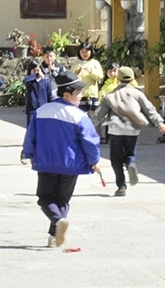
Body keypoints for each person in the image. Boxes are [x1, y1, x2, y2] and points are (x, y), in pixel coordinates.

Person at [23, 71, 101, 248]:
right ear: (66, 94)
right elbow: (89, 140)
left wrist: (29, 154)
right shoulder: (79, 116)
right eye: (78, 93)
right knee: (62, 201)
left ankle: (58, 223)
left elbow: (31, 136)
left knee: (45, 198)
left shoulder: (41, 111)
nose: (81, 97)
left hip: (46, 162)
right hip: (70, 165)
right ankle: (53, 236)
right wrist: (94, 160)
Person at [94, 67, 165, 197]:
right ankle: (131, 164)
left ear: (117, 79)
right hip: (133, 130)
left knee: (115, 159)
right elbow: (149, 110)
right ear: (132, 79)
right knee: (130, 154)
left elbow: (98, 115)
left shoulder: (111, 96)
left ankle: (121, 186)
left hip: (115, 130)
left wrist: (85, 129)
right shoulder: (138, 94)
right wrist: (160, 124)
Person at [21, 60, 53, 164]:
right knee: (30, 130)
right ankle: (26, 151)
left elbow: (50, 96)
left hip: (43, 109)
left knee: (42, 132)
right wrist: (34, 76)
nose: (36, 72)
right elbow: (25, 81)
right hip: (32, 109)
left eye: (38, 70)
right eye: (33, 70)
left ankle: (39, 153)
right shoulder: (29, 82)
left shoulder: (46, 82)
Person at [72, 42, 104, 115]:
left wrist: (91, 72)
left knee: (93, 116)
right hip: (80, 94)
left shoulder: (95, 63)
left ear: (91, 51)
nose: (84, 54)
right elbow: (71, 78)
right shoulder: (76, 63)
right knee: (80, 114)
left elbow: (100, 77)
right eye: (82, 52)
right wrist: (76, 73)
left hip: (91, 94)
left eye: (86, 51)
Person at [98, 63, 121, 144]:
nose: (112, 73)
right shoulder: (105, 84)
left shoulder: (119, 83)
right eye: (110, 71)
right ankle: (109, 138)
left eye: (114, 71)